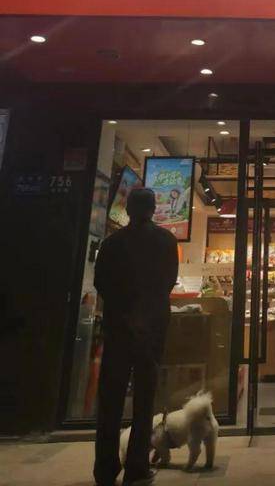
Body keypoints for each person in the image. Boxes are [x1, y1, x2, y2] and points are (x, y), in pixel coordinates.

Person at [93, 188, 179, 486]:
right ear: (153, 209)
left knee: (110, 400)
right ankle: (137, 466)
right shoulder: (165, 240)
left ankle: (105, 469)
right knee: (144, 400)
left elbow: (100, 282)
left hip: (118, 328)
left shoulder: (112, 242)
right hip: (151, 330)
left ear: (127, 209)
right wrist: (147, 312)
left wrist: (124, 312)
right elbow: (168, 281)